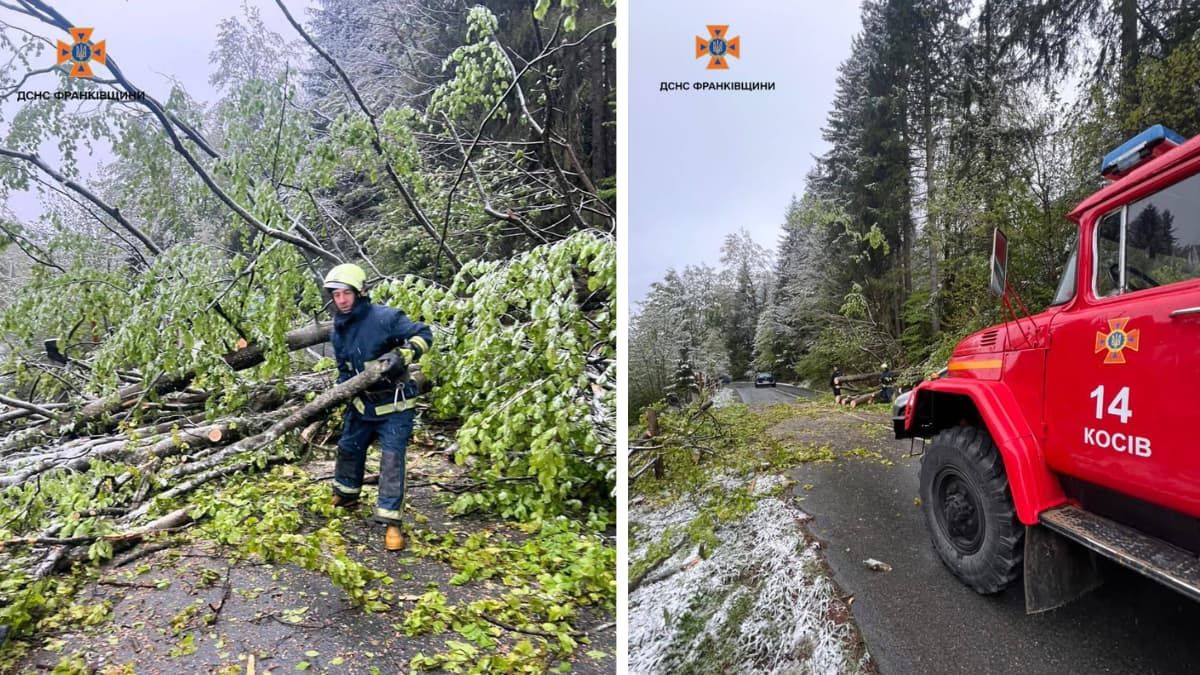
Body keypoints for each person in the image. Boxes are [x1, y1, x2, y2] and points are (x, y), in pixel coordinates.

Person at [323, 263, 433, 552]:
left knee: (391, 461)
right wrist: (339, 392)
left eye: (346, 294)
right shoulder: (338, 329)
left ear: (360, 293)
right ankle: (346, 494)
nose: (342, 300)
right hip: (362, 403)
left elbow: (424, 333)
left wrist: (404, 354)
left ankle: (392, 522)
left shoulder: (385, 318)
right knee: (349, 447)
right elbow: (345, 369)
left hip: (395, 404)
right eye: (336, 295)